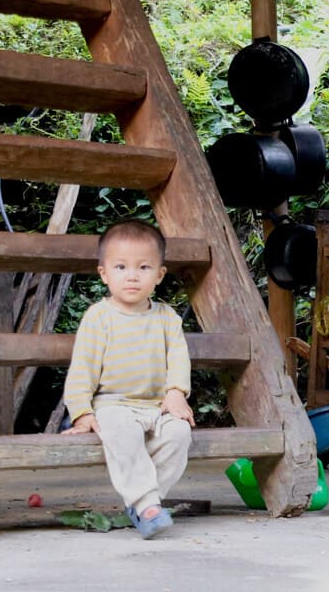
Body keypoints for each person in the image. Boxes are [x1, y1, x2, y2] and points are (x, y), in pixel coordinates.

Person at [62, 218, 195, 539]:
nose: (132, 276)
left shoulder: (167, 318)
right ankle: (148, 505)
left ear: (159, 275)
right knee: (120, 431)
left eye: (144, 267)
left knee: (179, 434)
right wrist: (82, 411)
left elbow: (178, 358)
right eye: (121, 267)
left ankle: (143, 502)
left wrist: (176, 393)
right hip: (113, 406)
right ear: (104, 274)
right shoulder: (100, 316)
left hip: (155, 407)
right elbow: (82, 367)